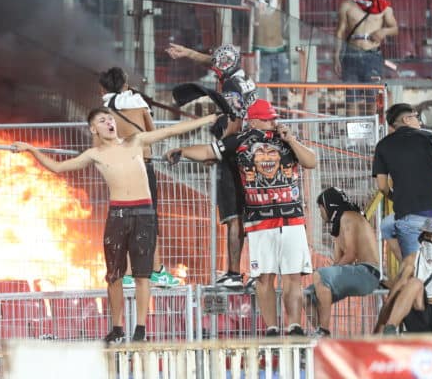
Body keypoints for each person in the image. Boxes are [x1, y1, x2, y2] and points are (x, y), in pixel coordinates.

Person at [14, 108, 218, 343]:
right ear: (94, 129)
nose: (109, 122)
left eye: (110, 118)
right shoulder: (94, 154)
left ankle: (140, 329)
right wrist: (31, 149)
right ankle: (117, 328)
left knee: (143, 275)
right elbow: (59, 167)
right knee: (114, 276)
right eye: (102, 120)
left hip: (144, 214)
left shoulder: (135, 141)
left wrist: (208, 119)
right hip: (118, 215)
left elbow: (172, 130)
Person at [166, 98, 317, 336]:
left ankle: (295, 326)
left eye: (274, 118)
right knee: (264, 278)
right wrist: (182, 151)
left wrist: (291, 139)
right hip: (259, 221)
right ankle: (271, 329)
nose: (274, 122)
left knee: (292, 278)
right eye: (269, 118)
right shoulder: (240, 141)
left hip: (292, 219)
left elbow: (312, 161)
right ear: (255, 120)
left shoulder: (287, 139)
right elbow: (209, 150)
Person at [166, 43, 257, 287]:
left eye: (215, 66)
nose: (213, 69)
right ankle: (251, 273)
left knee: (233, 214)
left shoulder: (229, 85)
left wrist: (220, 147)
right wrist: (189, 53)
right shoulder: (242, 75)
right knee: (248, 215)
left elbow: (236, 121)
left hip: (235, 152)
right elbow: (212, 59)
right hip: (251, 151)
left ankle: (234, 274)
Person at [98, 67, 181, 288]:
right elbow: (152, 133)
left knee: (123, 220)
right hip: (143, 167)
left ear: (103, 88)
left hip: (120, 168)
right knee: (148, 220)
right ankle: (156, 271)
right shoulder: (138, 104)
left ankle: (124, 275)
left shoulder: (104, 111)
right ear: (126, 83)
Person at [373, 103, 432, 259]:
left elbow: (382, 186)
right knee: (414, 270)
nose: (420, 122)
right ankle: (407, 267)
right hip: (427, 217)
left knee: (386, 226)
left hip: (406, 216)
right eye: (417, 117)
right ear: (407, 119)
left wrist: (394, 197)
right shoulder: (427, 137)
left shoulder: (382, 146)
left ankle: (405, 265)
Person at [306, 187, 381, 337]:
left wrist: (324, 275)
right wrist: (328, 274)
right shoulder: (338, 225)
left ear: (328, 205)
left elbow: (351, 254)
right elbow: (338, 262)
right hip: (359, 273)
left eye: (320, 208)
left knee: (319, 276)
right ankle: (322, 334)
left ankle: (324, 330)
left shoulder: (348, 216)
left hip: (368, 272)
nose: (320, 213)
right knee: (306, 296)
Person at [376, 217, 432, 334]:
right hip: (420, 314)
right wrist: (378, 330)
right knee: (413, 283)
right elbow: (392, 299)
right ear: (422, 236)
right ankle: (389, 330)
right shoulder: (412, 259)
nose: (431, 241)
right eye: (427, 236)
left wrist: (429, 299)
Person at [335, 0, 398, 108]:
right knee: (351, 100)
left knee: (372, 99)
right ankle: (352, 130)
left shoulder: (383, 6)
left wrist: (383, 32)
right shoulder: (347, 5)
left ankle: (372, 130)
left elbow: (394, 28)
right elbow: (340, 32)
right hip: (351, 54)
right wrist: (336, 57)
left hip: (372, 54)